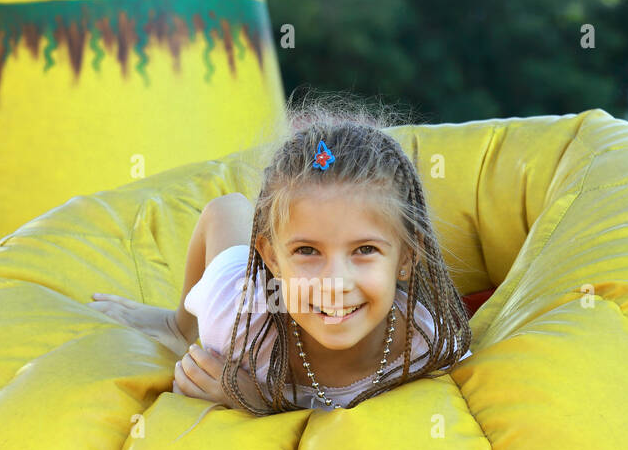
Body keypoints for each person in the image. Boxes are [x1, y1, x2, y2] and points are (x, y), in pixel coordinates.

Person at [90, 95, 473, 414]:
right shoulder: (236, 320)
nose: (334, 282)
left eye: (365, 250)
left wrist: (262, 401)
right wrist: (193, 338)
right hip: (252, 291)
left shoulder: (427, 343)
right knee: (228, 210)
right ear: (272, 260)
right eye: (308, 251)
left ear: (406, 258)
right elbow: (219, 216)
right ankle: (175, 323)